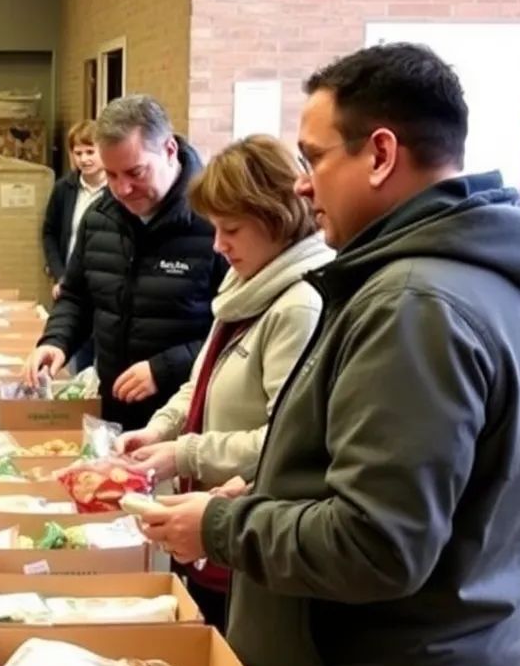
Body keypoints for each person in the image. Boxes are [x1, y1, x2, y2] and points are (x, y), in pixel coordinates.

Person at [139, 42, 520, 666]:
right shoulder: (453, 280)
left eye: (315, 157)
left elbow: (377, 542)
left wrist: (218, 521)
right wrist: (267, 486)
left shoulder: (416, 304)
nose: (304, 181)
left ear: (381, 152)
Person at [115, 135, 334, 631]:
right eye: (214, 228)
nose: (218, 245)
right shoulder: (243, 286)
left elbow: (284, 440)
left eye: (231, 229)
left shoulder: (297, 306)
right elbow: (202, 381)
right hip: (210, 524)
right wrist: (159, 430)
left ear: (277, 217)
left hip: (246, 533)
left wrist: (184, 453)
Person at [25, 94, 225, 431]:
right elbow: (77, 296)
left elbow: (236, 331)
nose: (123, 188)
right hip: (116, 412)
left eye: (136, 172)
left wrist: (165, 369)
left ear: (169, 151)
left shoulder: (217, 222)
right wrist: (56, 340)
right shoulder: (99, 217)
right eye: (112, 175)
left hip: (189, 417)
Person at [40, 119, 106, 373]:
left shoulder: (116, 192)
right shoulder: (63, 189)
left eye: (90, 152)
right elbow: (49, 233)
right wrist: (60, 276)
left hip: (101, 286)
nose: (84, 159)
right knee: (78, 355)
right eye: (78, 153)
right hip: (71, 282)